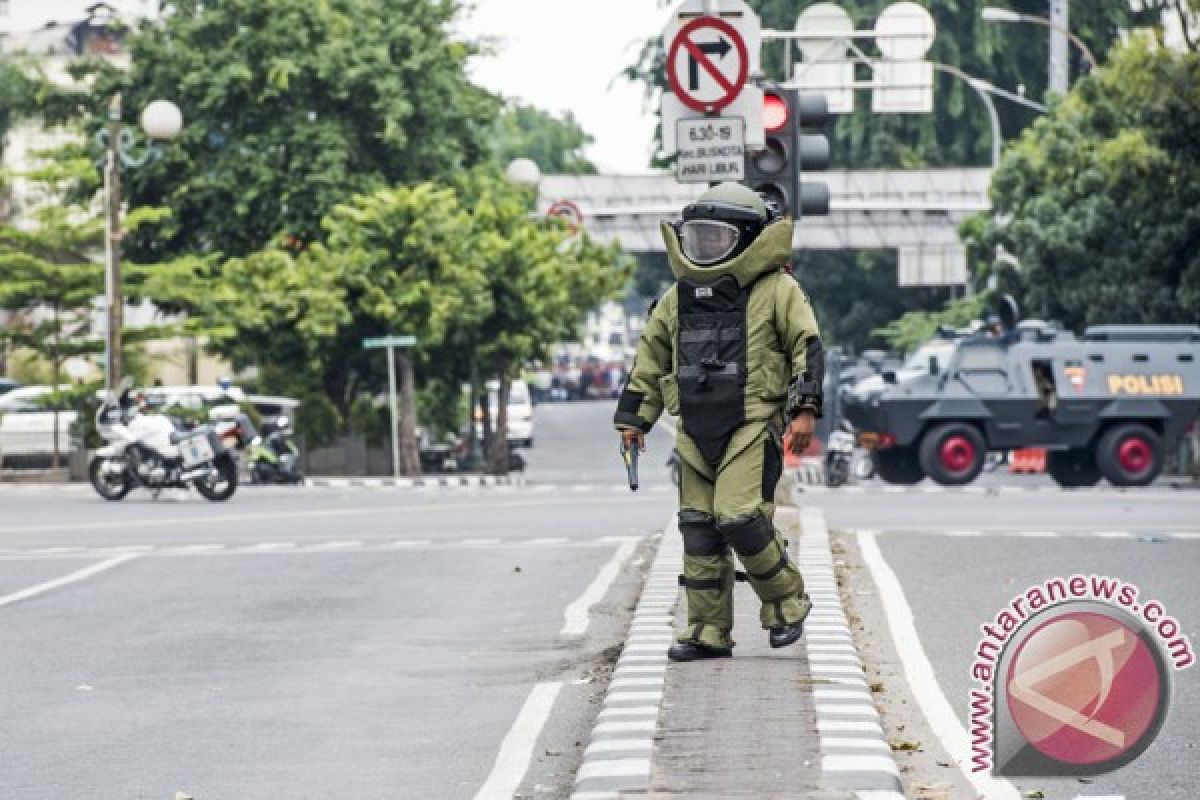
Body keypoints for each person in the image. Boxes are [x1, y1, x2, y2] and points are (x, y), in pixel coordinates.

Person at [614, 182, 824, 662]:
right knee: (700, 528)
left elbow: (806, 347)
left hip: (751, 424)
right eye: (699, 237)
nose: (706, 246)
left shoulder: (777, 289)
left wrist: (805, 409)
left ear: (748, 239)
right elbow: (650, 359)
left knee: (740, 516)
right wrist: (634, 421)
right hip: (693, 430)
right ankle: (707, 631)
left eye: (718, 238)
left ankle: (787, 601)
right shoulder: (675, 299)